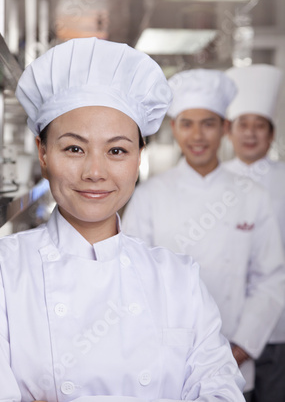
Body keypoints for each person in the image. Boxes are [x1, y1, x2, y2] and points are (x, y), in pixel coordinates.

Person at [0, 38, 245, 402]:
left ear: (139, 158)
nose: (95, 171)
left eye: (117, 150)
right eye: (74, 148)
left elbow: (223, 393)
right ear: (43, 153)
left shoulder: (180, 279)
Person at [122, 68, 285, 402]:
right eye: (187, 123)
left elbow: (270, 278)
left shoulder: (252, 195)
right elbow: (131, 277)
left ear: (224, 129)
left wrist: (239, 349)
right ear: (174, 129)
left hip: (236, 360)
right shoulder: (149, 195)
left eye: (208, 123)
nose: (197, 135)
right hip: (164, 363)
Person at [225, 64, 285, 402]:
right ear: (229, 132)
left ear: (271, 134)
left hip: (280, 327)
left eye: (259, 126)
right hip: (229, 328)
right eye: (242, 125)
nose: (250, 133)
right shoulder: (214, 183)